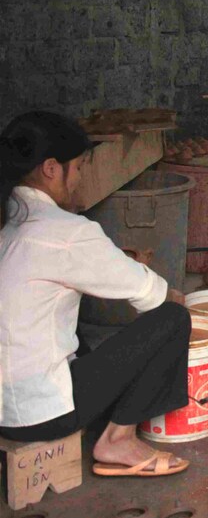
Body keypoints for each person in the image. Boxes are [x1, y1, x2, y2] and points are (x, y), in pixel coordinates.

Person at [0, 112, 190, 477]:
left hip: (6, 410)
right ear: (52, 169)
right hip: (40, 417)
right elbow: (153, 295)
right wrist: (183, 301)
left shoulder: (12, 223)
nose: (81, 179)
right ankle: (118, 440)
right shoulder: (67, 231)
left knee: (73, 325)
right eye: (80, 167)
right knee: (172, 319)